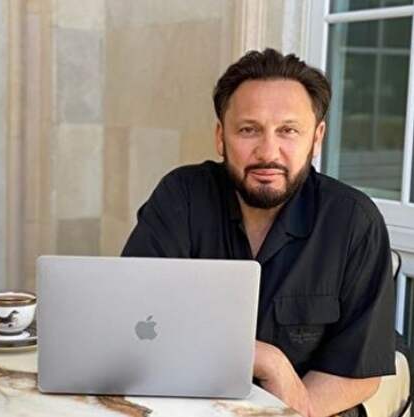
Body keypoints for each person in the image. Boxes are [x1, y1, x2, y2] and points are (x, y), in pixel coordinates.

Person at [121, 48, 397, 417]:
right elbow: (134, 317)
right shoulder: (181, 197)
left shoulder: (354, 221)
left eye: (288, 131)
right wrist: (265, 359)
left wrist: (285, 409)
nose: (268, 152)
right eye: (248, 130)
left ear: (317, 138)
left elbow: (357, 372)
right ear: (221, 137)